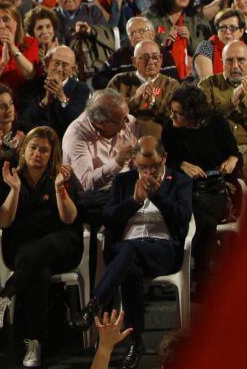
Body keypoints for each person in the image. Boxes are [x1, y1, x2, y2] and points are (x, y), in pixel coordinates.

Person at [70, 137, 193, 369]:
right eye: (142, 167)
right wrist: (135, 201)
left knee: (129, 254)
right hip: (126, 248)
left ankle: (94, 305)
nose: (148, 172)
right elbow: (108, 218)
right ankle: (135, 344)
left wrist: (157, 196)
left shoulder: (179, 181)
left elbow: (183, 218)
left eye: (154, 167)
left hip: (162, 249)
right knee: (130, 265)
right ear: (135, 162)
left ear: (163, 158)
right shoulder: (124, 181)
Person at [0, 126, 81, 368]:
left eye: (44, 150)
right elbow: (5, 221)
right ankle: (34, 343)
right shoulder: (10, 176)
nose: (37, 154)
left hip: (61, 243)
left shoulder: (62, 176)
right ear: (24, 150)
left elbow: (69, 219)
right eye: (33, 148)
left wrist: (60, 188)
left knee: (50, 243)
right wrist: (15, 190)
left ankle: (6, 294)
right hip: (24, 247)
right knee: (38, 272)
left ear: (52, 154)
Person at [162, 85, 242, 284]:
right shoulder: (170, 128)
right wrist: (181, 164)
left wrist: (232, 159)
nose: (173, 117)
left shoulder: (216, 123)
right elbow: (165, 163)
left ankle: (180, 263)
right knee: (203, 214)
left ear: (192, 115)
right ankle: (202, 277)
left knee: (204, 210)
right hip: (186, 190)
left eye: (178, 113)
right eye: (172, 112)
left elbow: (235, 154)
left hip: (217, 187)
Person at [62, 89, 140, 229]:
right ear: (101, 123)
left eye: (126, 115)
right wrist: (118, 162)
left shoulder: (129, 122)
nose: (128, 121)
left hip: (126, 187)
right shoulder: (76, 136)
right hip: (95, 196)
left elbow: (136, 163)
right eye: (122, 120)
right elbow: (87, 184)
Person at [198, 40, 247, 174]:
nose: (235, 66)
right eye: (229, 61)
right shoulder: (207, 85)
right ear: (222, 62)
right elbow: (203, 123)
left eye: (241, 60)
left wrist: (244, 100)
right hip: (216, 151)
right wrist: (232, 102)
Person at [107, 40, 180, 139]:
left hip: (161, 141)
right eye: (145, 58)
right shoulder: (119, 80)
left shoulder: (171, 84)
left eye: (155, 57)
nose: (150, 62)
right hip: (123, 139)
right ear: (134, 61)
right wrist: (134, 100)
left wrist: (154, 102)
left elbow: (178, 118)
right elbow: (106, 112)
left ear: (161, 60)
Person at [19, 45, 90, 130]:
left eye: (65, 65)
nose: (59, 69)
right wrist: (45, 102)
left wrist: (61, 97)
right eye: (56, 63)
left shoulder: (81, 89)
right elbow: (24, 119)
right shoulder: (31, 86)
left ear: (72, 70)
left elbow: (75, 123)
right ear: (48, 63)